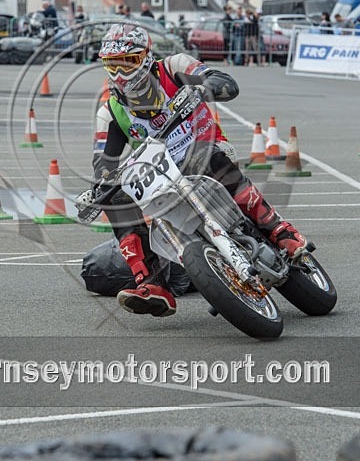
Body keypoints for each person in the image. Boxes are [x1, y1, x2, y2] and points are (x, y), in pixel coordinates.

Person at [89, 24, 308, 317]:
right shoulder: (110, 111)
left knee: (207, 158)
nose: (119, 73)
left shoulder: (174, 66)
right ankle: (152, 282)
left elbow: (225, 81)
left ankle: (280, 230)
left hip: (206, 148)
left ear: (145, 57)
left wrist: (204, 87)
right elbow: (103, 160)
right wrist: (103, 182)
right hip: (162, 176)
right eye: (111, 65)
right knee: (113, 198)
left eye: (127, 62)